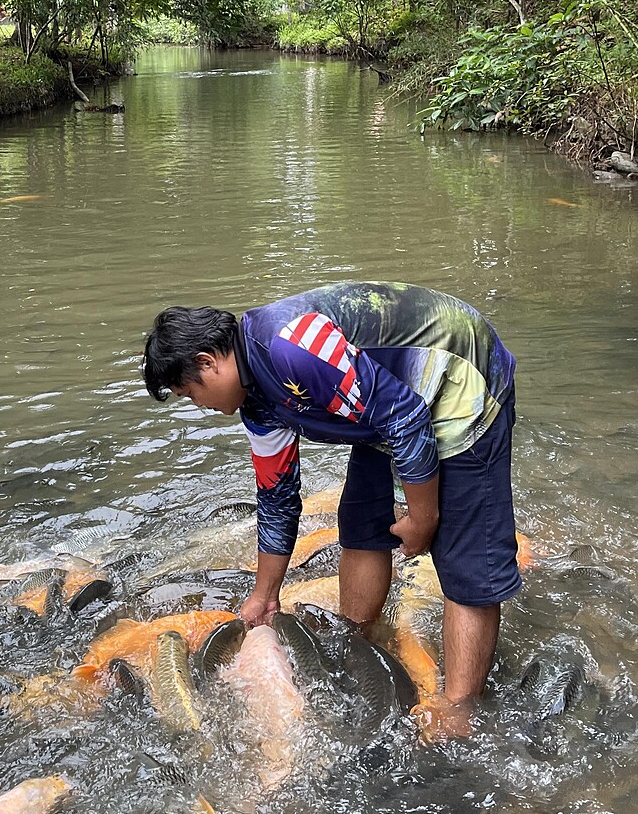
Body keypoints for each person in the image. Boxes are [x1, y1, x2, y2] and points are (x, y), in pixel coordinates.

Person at [142, 282, 519, 725]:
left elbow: (407, 417)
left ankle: (459, 711)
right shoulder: (258, 405)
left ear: (208, 363)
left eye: (190, 394)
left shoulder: (291, 347)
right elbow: (278, 496)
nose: (199, 406)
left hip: (459, 380)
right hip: (389, 403)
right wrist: (265, 596)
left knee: (464, 558)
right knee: (360, 525)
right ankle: (361, 642)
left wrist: (423, 517)